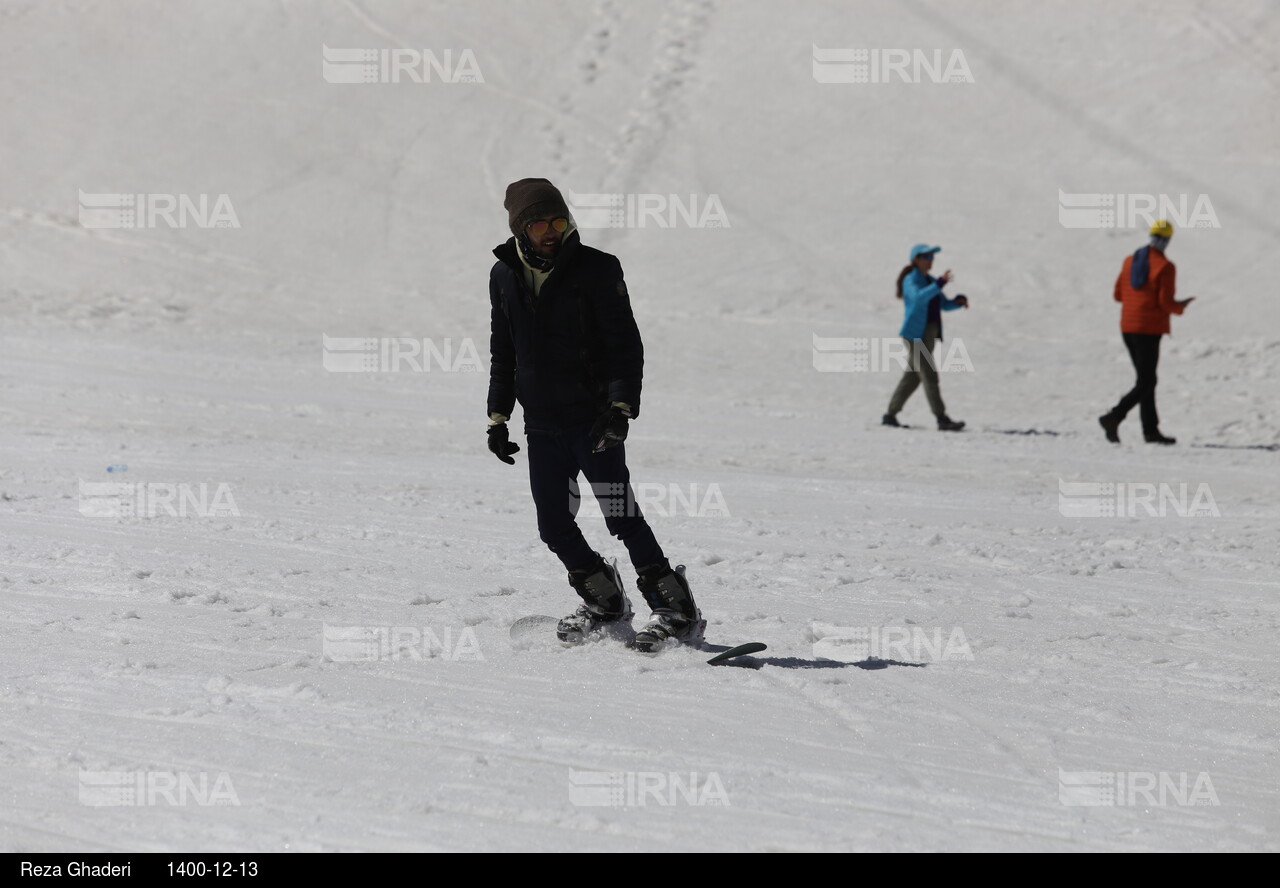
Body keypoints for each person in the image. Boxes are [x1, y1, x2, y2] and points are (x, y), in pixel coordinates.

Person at [485, 178, 704, 651]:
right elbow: (503, 351)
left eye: (558, 220)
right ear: (522, 228)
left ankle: (675, 607)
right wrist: (498, 417)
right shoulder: (503, 275)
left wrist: (620, 408)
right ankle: (603, 596)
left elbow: (625, 345)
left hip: (592, 419)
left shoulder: (597, 269)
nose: (550, 231)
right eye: (540, 223)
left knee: (621, 515)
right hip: (540, 424)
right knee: (554, 525)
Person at [1098, 220, 1195, 445]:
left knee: (1146, 380)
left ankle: (1150, 431)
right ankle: (1114, 416)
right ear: (1168, 239)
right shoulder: (1165, 266)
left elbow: (1118, 295)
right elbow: (1166, 303)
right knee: (1147, 381)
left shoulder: (1130, 261)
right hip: (1149, 330)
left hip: (1128, 328)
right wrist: (1181, 306)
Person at [882, 244, 969, 431]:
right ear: (917, 259)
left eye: (932, 256)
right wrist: (938, 284)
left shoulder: (928, 280)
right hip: (915, 335)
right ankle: (942, 418)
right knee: (929, 374)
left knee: (913, 377)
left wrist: (957, 302)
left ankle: (890, 414)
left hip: (928, 334)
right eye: (927, 256)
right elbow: (918, 298)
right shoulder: (910, 280)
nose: (931, 260)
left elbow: (943, 304)